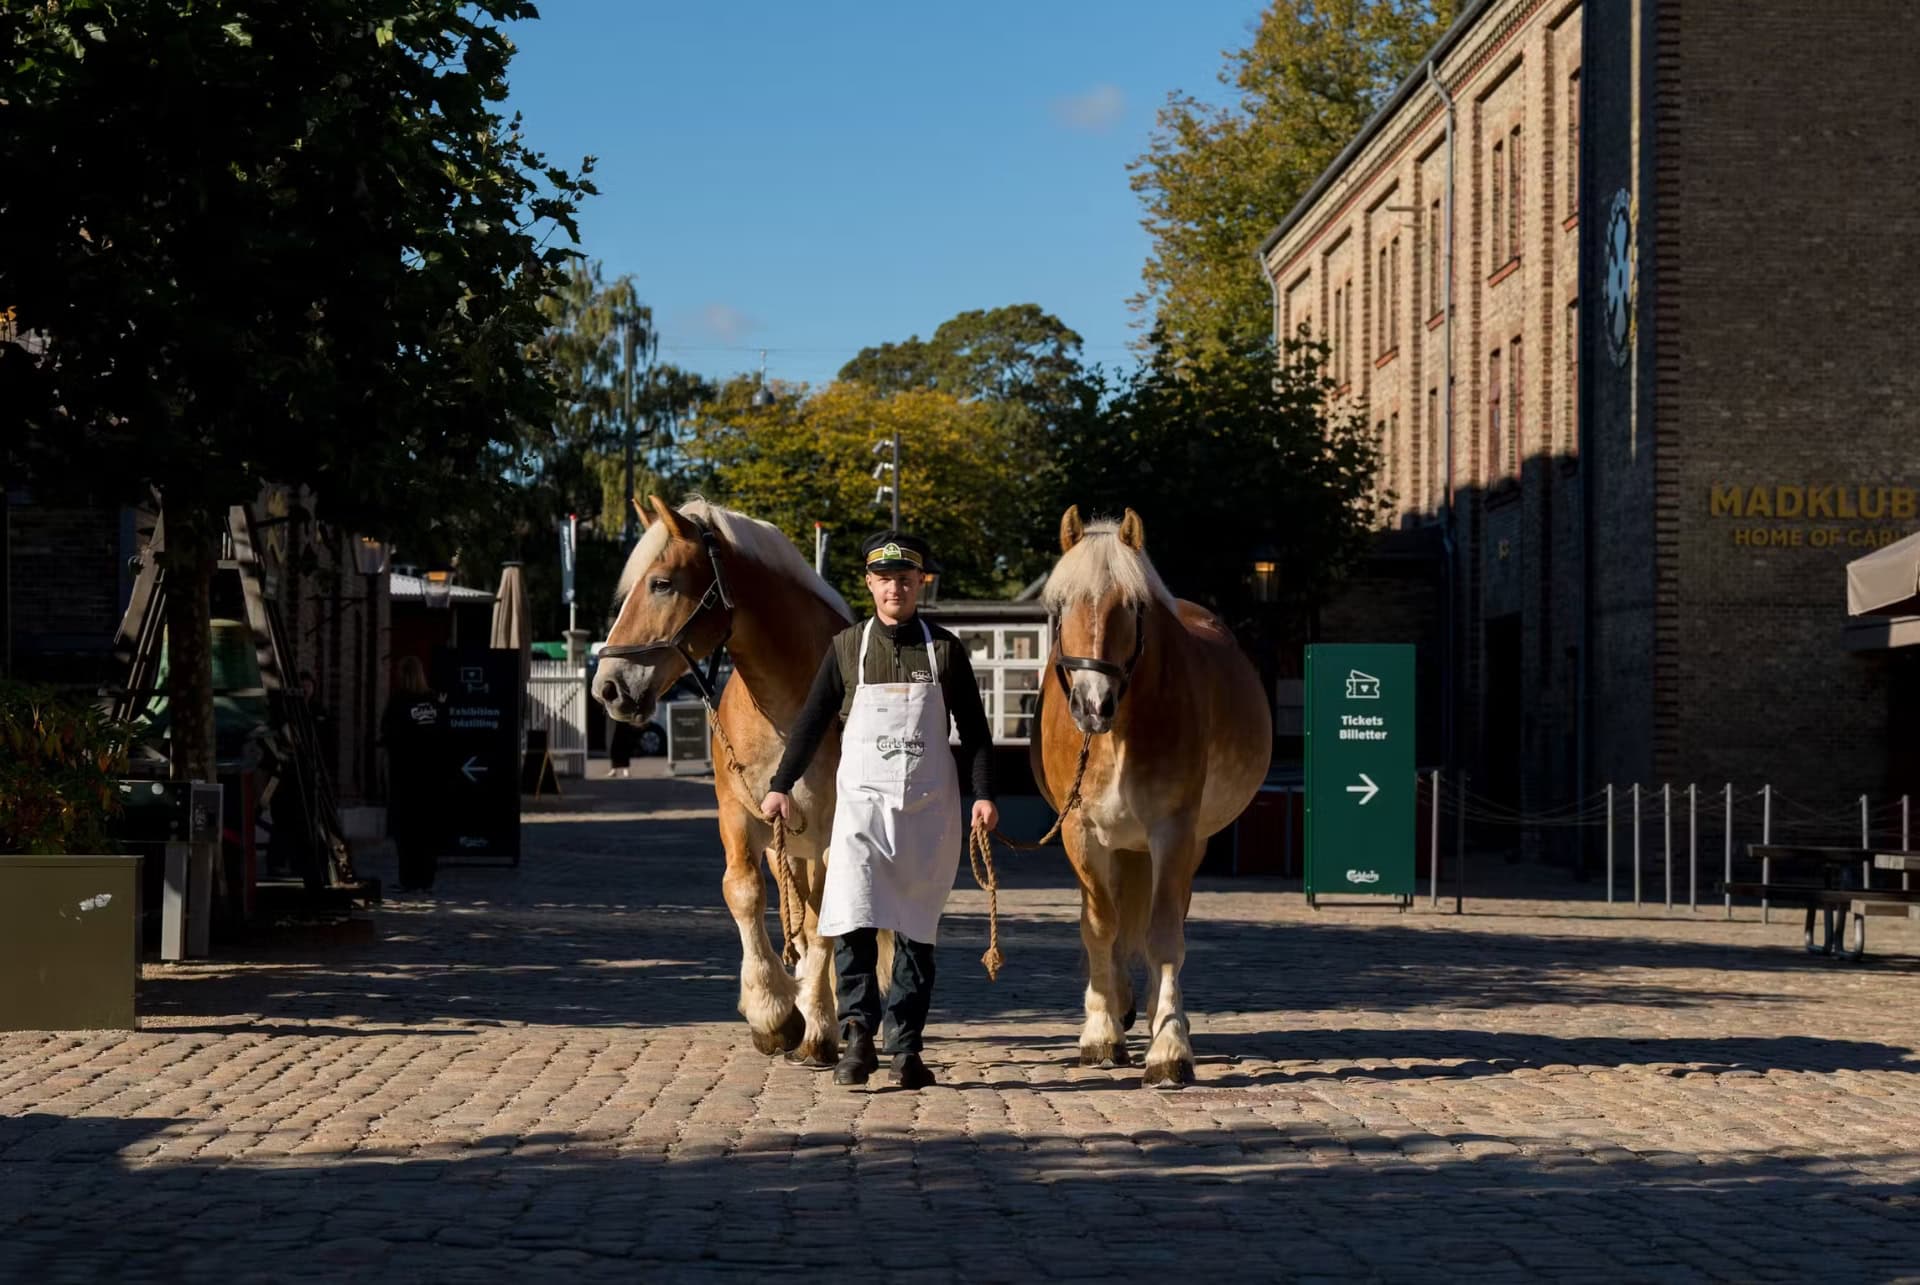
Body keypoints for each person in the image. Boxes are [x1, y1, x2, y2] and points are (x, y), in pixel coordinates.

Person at [761, 531, 997, 1090]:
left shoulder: (945, 650)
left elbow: (977, 732)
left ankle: (907, 1047)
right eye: (885, 579)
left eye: (906, 579)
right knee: (854, 920)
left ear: (921, 584)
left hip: (928, 812)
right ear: (870, 584)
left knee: (917, 930)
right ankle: (858, 1038)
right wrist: (780, 784)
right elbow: (813, 721)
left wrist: (984, 793)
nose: (896, 587)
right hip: (862, 810)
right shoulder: (847, 648)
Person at [380, 656, 446, 893]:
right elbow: (444, 735)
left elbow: (388, 733)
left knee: (406, 831)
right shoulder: (434, 701)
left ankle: (408, 878)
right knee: (428, 830)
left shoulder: (399, 701)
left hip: (405, 777)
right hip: (431, 778)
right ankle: (426, 878)